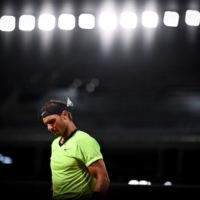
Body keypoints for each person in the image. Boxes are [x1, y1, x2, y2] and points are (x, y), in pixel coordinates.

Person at [38, 98, 110, 200]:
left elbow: (103, 177)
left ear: (65, 115)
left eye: (52, 121)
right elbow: (60, 178)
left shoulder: (83, 140)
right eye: (47, 124)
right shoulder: (55, 144)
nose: (49, 128)